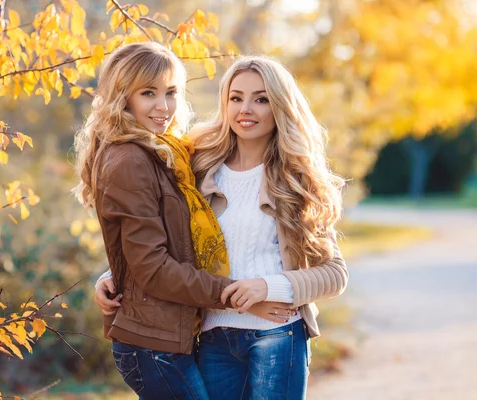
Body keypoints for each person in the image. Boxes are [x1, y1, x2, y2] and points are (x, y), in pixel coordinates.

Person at [95, 55, 348, 400]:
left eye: (261, 99)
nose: (247, 109)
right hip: (213, 336)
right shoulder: (199, 162)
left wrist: (268, 287)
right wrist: (115, 274)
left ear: (279, 107)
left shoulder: (297, 178)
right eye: (236, 97)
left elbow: (334, 274)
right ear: (224, 103)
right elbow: (161, 239)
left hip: (278, 335)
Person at [74, 43, 282, 400]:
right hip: (151, 344)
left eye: (171, 92)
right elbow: (153, 269)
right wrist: (237, 297)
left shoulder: (166, 153)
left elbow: (155, 245)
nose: (163, 106)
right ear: (123, 97)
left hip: (169, 335)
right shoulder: (130, 160)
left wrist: (113, 275)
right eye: (148, 93)